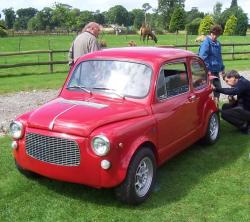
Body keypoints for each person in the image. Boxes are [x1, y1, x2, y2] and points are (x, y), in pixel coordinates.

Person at [213, 70, 250, 134]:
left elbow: (232, 91)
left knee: (224, 114)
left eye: (227, 81)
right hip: (246, 106)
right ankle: (244, 122)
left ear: (233, 77)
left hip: (247, 109)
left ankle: (245, 126)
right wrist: (232, 99)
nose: (227, 83)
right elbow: (241, 100)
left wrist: (216, 89)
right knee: (225, 106)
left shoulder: (243, 83)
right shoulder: (241, 82)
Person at [199, 25, 225, 103]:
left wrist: (222, 68)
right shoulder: (206, 43)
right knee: (210, 90)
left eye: (217, 35)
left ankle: (216, 106)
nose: (215, 36)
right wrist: (207, 70)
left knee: (218, 88)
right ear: (211, 33)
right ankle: (210, 109)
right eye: (214, 34)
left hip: (216, 71)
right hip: (208, 71)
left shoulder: (218, 44)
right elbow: (203, 57)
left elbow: (219, 57)